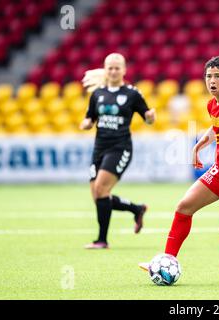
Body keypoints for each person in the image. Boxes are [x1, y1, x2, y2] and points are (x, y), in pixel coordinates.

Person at [139, 56, 219, 283]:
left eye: (217, 76)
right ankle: (166, 260)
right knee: (184, 206)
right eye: (208, 76)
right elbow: (218, 125)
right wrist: (200, 143)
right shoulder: (212, 104)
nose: (212, 80)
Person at [80, 53, 156, 249]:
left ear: (124, 70)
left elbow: (147, 118)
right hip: (99, 148)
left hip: (120, 148)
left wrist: (150, 117)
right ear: (105, 70)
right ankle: (136, 209)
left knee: (101, 190)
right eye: (110, 68)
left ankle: (102, 240)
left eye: (117, 68)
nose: (113, 71)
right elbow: (90, 118)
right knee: (98, 196)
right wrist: (86, 123)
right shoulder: (97, 94)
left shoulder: (132, 93)